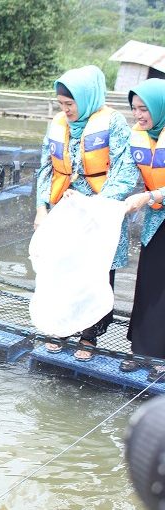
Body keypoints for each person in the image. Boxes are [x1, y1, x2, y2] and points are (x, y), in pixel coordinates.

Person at [34, 65, 137, 360]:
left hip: (99, 212)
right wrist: (42, 207)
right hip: (65, 210)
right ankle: (62, 327)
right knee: (63, 267)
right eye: (61, 105)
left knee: (96, 270)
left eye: (70, 104)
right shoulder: (58, 124)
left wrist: (94, 204)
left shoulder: (114, 123)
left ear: (88, 98)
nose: (65, 110)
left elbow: (125, 172)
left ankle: (90, 335)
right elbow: (45, 167)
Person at [123, 78, 165, 380]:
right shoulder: (137, 135)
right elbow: (125, 175)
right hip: (155, 219)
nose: (138, 115)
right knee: (148, 283)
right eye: (135, 109)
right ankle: (141, 351)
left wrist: (150, 196)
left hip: (155, 204)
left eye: (144, 109)